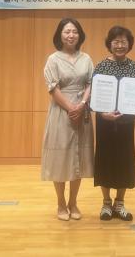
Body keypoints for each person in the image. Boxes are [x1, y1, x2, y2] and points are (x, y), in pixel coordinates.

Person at [41, 18, 94, 221]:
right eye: (67, 32)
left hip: (83, 110)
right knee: (60, 158)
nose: (71, 35)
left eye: (74, 32)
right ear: (60, 35)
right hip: (60, 112)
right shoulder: (53, 59)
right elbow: (53, 88)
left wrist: (82, 104)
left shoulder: (86, 58)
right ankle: (61, 203)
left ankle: (73, 202)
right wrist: (71, 108)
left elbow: (90, 83)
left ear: (80, 35)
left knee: (79, 156)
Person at [93, 26, 135, 222]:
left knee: (124, 160)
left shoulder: (134, 67)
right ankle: (106, 203)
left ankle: (119, 203)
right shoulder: (101, 66)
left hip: (126, 122)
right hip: (104, 121)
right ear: (109, 44)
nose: (120, 45)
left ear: (129, 44)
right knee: (104, 160)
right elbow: (94, 96)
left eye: (123, 42)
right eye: (116, 42)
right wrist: (103, 114)